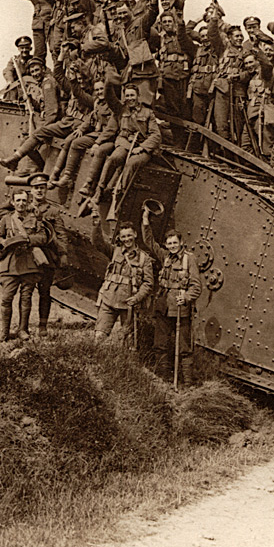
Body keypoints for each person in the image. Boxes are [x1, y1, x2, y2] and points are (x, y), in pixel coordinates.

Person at [141, 205, 201, 381]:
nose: (172, 246)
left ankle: (187, 382)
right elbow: (149, 241)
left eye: (175, 243)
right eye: (169, 243)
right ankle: (162, 378)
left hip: (181, 310)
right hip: (163, 308)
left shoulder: (190, 259)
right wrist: (145, 218)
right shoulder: (165, 256)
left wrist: (187, 297)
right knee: (160, 345)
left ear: (181, 243)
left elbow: (196, 286)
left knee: (184, 348)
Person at [0, 188, 49, 342]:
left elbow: (43, 237)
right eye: (18, 200)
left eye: (24, 200)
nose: (21, 203)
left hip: (29, 263)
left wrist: (28, 240)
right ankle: (3, 332)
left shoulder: (35, 219)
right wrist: (3, 243)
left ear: (28, 202)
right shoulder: (7, 219)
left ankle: (22, 330)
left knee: (26, 298)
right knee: (6, 298)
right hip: (10, 264)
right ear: (12, 202)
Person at [89, 211, 153, 343]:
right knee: (99, 337)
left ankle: (124, 363)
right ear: (119, 237)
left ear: (135, 234)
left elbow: (148, 283)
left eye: (129, 235)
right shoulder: (115, 251)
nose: (127, 239)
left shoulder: (144, 259)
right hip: (109, 300)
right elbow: (98, 243)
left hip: (129, 305)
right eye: (123, 236)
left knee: (128, 342)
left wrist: (137, 298)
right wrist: (96, 224)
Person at [94, 84, 163, 203]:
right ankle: (99, 190)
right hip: (125, 143)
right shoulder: (121, 110)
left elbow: (156, 135)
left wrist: (141, 148)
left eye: (132, 95)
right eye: (127, 96)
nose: (130, 98)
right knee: (113, 159)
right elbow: (110, 99)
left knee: (131, 164)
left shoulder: (148, 113)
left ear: (138, 96)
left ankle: (120, 194)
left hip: (142, 148)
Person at [28, 173, 70, 335]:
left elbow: (61, 234)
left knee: (45, 292)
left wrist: (63, 253)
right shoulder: (24, 207)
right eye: (36, 188)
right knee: (27, 292)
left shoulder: (53, 211)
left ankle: (43, 326)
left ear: (46, 190)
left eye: (42, 188)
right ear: (31, 190)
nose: (39, 191)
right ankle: (23, 326)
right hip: (29, 256)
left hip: (48, 255)